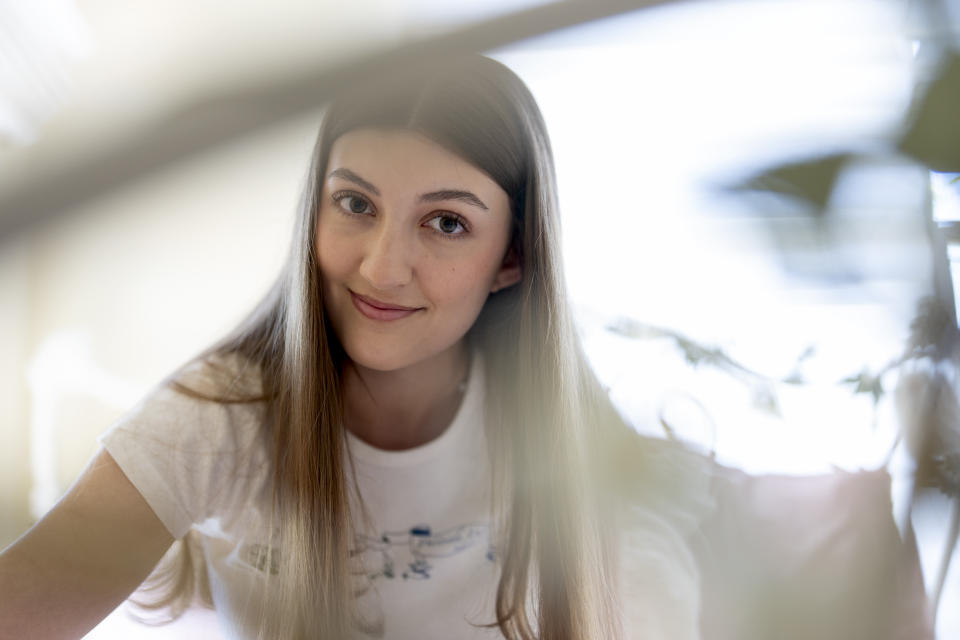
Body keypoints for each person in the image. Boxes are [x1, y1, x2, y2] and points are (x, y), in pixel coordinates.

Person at [0, 55, 709, 640]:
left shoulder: (591, 467)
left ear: (513, 257)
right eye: (356, 205)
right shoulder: (218, 417)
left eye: (447, 223)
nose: (381, 268)